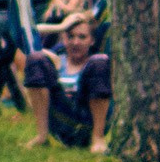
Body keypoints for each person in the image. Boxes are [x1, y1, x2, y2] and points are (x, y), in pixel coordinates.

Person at [23, 12, 113, 153]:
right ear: (63, 38)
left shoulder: (98, 64)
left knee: (99, 62)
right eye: (70, 36)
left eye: (82, 37)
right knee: (35, 58)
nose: (75, 42)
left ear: (92, 40)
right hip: (62, 120)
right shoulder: (55, 60)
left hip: (87, 120)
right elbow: (29, 35)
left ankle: (98, 138)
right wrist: (60, 27)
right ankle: (42, 136)